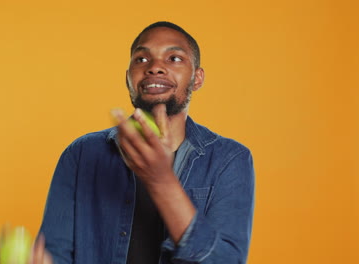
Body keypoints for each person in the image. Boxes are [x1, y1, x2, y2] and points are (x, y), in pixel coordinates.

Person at [35, 21, 255, 264]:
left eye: (174, 58)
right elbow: (55, 254)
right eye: (141, 59)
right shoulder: (81, 154)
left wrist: (162, 181)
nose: (155, 67)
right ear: (128, 78)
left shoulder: (229, 159)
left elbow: (226, 260)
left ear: (197, 78)